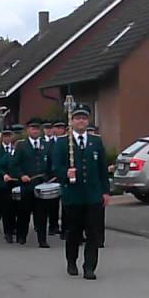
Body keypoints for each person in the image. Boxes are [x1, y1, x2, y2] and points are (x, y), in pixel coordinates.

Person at [50, 105, 110, 279]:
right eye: (77, 118)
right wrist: (65, 174)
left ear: (88, 120)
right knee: (73, 232)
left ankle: (89, 267)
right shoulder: (62, 143)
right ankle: (71, 261)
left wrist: (105, 192)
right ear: (72, 121)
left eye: (84, 118)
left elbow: (102, 170)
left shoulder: (96, 141)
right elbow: (55, 168)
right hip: (73, 195)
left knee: (93, 233)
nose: (81, 121)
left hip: (93, 195)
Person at [11, 117, 51, 248]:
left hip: (41, 184)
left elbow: (51, 163)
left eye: (37, 129)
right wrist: (21, 175)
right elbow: (15, 165)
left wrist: (49, 175)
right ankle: (22, 236)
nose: (35, 131)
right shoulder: (21, 145)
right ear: (28, 130)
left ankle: (42, 240)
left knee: (42, 214)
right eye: (33, 128)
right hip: (27, 185)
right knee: (24, 212)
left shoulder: (46, 144)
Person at [0, 128, 18, 244]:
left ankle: (15, 228)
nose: (7, 138)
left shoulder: (16, 148)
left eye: (9, 135)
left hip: (16, 181)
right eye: (5, 136)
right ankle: (8, 232)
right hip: (3, 183)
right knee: (6, 209)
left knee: (16, 208)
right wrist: (3, 174)